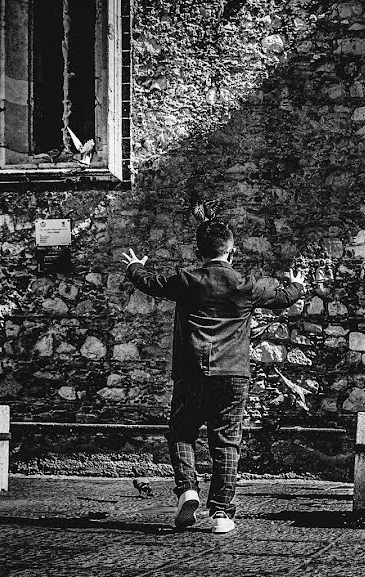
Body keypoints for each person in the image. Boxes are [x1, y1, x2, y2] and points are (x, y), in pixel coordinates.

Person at [122, 219, 305, 534]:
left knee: (182, 433)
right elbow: (283, 297)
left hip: (192, 373)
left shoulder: (186, 280)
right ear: (232, 252)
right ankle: (220, 513)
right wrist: (297, 284)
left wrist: (135, 266)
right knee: (227, 443)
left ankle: (188, 489)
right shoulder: (245, 285)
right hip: (232, 374)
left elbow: (150, 282)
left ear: (198, 251)